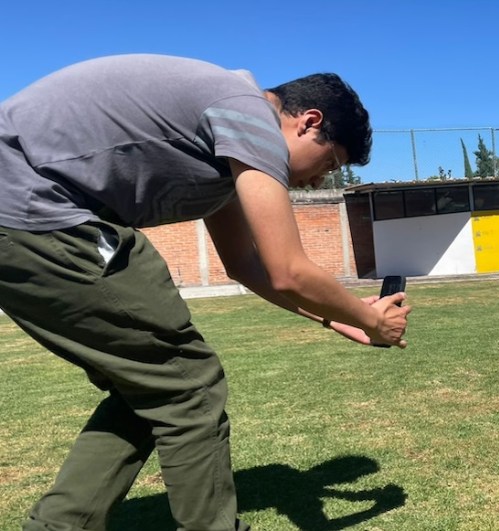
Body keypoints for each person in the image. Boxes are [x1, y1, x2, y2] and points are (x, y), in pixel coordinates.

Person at [0, 54, 411, 531]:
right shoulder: (250, 116)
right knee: (190, 384)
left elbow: (245, 264)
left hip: (24, 212)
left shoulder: (225, 141)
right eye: (331, 163)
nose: (320, 180)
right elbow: (289, 270)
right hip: (33, 208)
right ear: (308, 123)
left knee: (148, 388)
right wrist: (373, 320)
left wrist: (339, 318)